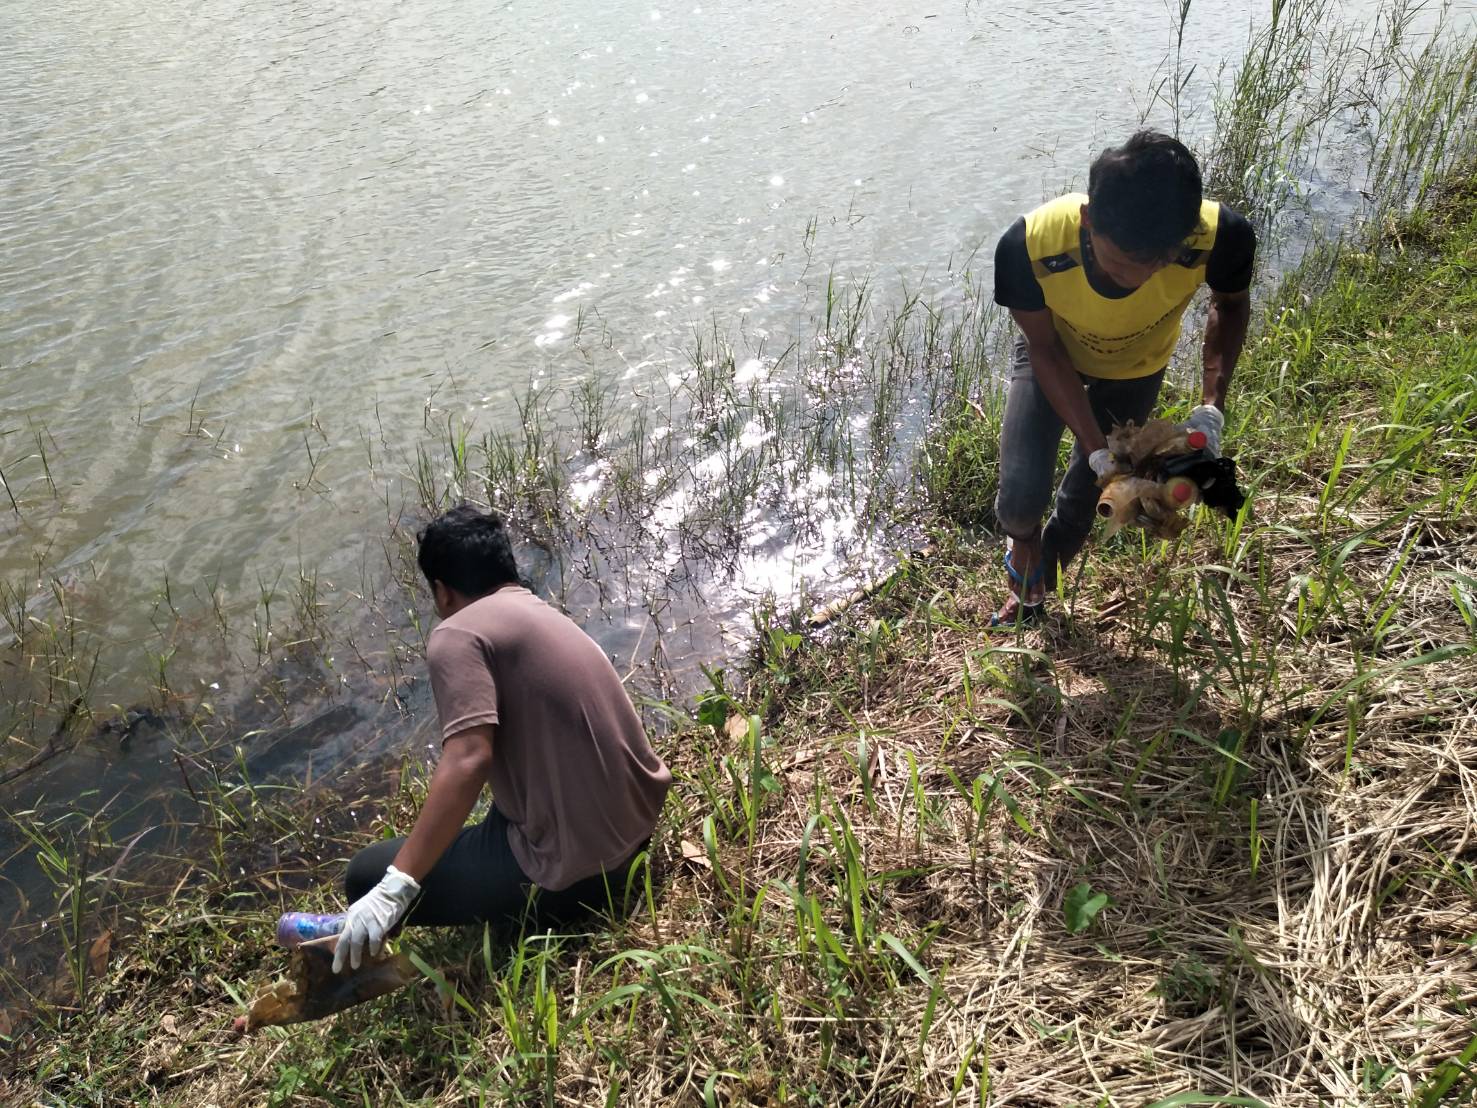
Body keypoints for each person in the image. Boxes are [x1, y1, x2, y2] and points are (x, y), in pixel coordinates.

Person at [333, 505, 672, 973]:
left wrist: (396, 887)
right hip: (637, 833)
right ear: (504, 568)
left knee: (365, 875)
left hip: (582, 873)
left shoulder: (456, 633)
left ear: (442, 591)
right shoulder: (540, 613)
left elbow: (469, 760)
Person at [989, 129, 1254, 626]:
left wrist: (1211, 408)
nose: (1138, 280)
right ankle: (1022, 544)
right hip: (1052, 356)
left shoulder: (1222, 237)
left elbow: (1230, 303)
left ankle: (1033, 596)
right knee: (1021, 501)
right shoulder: (1028, 247)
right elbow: (1042, 347)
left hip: (1137, 368)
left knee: (1083, 500)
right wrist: (1097, 449)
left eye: (1159, 264)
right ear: (1088, 220)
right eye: (1121, 263)